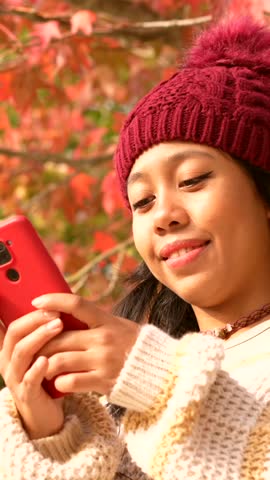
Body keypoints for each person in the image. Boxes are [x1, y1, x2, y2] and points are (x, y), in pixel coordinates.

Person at [0, 16, 270, 480]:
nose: (164, 214)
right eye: (141, 202)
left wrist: (158, 379)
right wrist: (56, 438)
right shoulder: (122, 394)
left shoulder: (149, 373)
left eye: (192, 180)